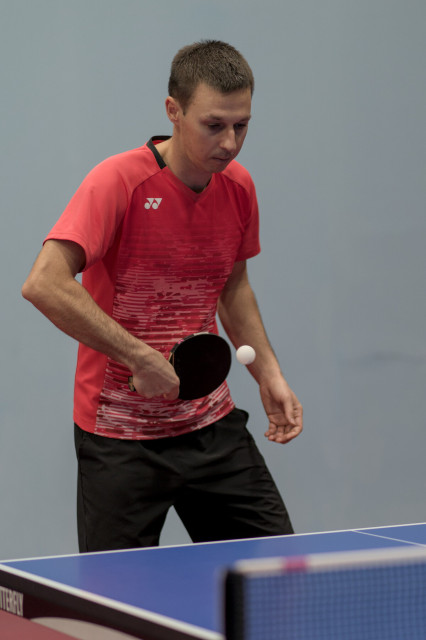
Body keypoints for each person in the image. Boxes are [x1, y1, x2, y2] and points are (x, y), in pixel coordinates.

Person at [22, 40, 303, 552]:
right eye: (214, 125)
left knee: (271, 580)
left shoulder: (238, 187)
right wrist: (139, 356)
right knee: (113, 600)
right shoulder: (119, 181)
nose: (230, 143)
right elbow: (44, 283)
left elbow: (233, 286)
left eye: (241, 126)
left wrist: (269, 374)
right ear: (173, 110)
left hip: (210, 426)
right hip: (119, 439)